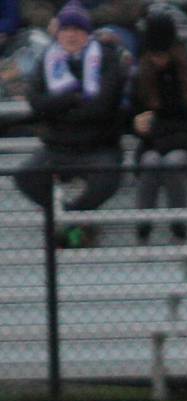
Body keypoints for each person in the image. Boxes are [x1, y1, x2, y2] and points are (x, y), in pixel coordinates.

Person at [14, 0, 126, 247]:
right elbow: (37, 102)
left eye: (77, 29)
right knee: (24, 177)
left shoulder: (107, 59)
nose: (71, 35)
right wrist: (73, 99)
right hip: (58, 145)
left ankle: (71, 219)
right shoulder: (48, 59)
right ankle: (74, 221)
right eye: (66, 29)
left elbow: (101, 107)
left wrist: (59, 108)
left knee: (109, 177)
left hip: (98, 145)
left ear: (87, 33)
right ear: (58, 32)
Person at [130, 9, 187, 244]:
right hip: (154, 146)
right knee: (150, 162)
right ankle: (143, 229)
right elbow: (131, 118)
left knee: (174, 162)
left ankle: (179, 228)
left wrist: (160, 128)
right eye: (153, 54)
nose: (158, 59)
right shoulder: (141, 75)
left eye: (162, 53)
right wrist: (136, 124)